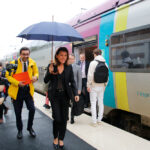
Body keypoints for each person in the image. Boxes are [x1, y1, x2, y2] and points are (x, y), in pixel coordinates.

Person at [44, 47, 79, 150]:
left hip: (65, 96)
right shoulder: (51, 66)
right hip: (54, 96)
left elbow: (72, 81)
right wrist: (50, 72)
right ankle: (55, 137)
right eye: (61, 55)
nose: (63, 57)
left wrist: (75, 93)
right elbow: (46, 80)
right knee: (57, 118)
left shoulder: (69, 67)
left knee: (64, 119)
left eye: (65, 55)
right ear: (57, 56)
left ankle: (61, 139)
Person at [5, 47, 39, 139]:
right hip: (17, 91)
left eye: (27, 54)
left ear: (29, 54)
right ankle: (20, 130)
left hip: (28, 90)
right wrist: (17, 83)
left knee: (32, 109)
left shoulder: (32, 62)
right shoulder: (13, 63)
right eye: (24, 54)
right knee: (18, 112)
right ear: (20, 54)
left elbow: (36, 73)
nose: (25, 56)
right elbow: (7, 76)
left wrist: (35, 77)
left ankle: (30, 127)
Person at [87, 49, 108, 127]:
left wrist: (88, 85)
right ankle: (99, 120)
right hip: (102, 86)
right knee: (101, 103)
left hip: (94, 86)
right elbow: (107, 77)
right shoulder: (106, 64)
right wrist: (105, 85)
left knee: (93, 103)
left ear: (95, 54)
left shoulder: (92, 63)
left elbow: (90, 75)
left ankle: (94, 122)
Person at [68, 54, 82, 124]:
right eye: (69, 59)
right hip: (66, 88)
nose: (71, 60)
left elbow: (79, 80)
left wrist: (79, 89)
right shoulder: (65, 66)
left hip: (74, 88)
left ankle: (72, 117)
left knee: (73, 103)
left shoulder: (78, 67)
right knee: (66, 102)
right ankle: (66, 117)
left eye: (72, 59)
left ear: (74, 59)